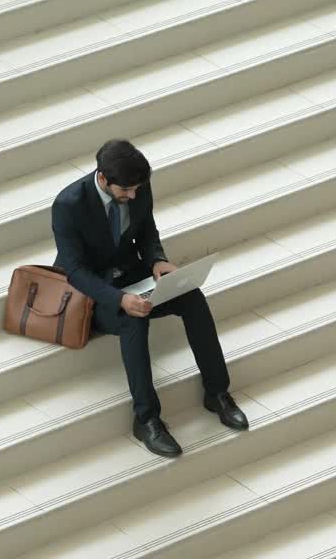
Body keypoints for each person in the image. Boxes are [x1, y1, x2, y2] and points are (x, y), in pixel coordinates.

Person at [51, 138, 247, 457]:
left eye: (137, 189)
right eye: (125, 191)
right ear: (103, 178)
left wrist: (157, 260)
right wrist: (118, 299)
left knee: (192, 296)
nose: (133, 196)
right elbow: (74, 270)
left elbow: (147, 233)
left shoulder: (137, 187)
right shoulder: (69, 205)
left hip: (132, 273)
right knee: (134, 319)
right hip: (93, 291)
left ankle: (217, 393)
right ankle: (147, 419)